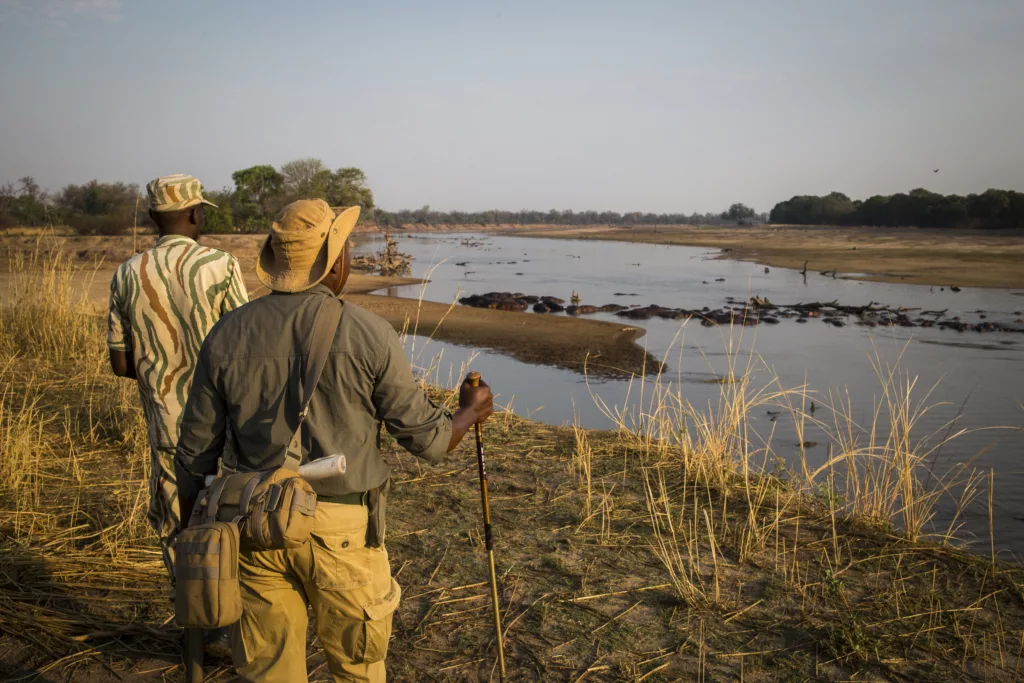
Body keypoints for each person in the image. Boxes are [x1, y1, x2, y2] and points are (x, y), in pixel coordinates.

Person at [175, 199, 494, 682]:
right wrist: (470, 412)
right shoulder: (368, 333)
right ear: (335, 259)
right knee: (357, 670)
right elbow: (429, 442)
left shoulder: (226, 334)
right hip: (342, 530)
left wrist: (192, 536)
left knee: (269, 673)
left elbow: (194, 455)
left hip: (251, 524)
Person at [107, 174, 249, 588]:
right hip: (223, 424)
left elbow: (120, 364)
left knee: (177, 522)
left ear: (153, 216)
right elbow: (243, 346)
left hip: (166, 427)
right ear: (195, 212)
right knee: (228, 515)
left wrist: (158, 369)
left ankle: (193, 619)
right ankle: (226, 612)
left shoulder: (127, 273)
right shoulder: (219, 265)